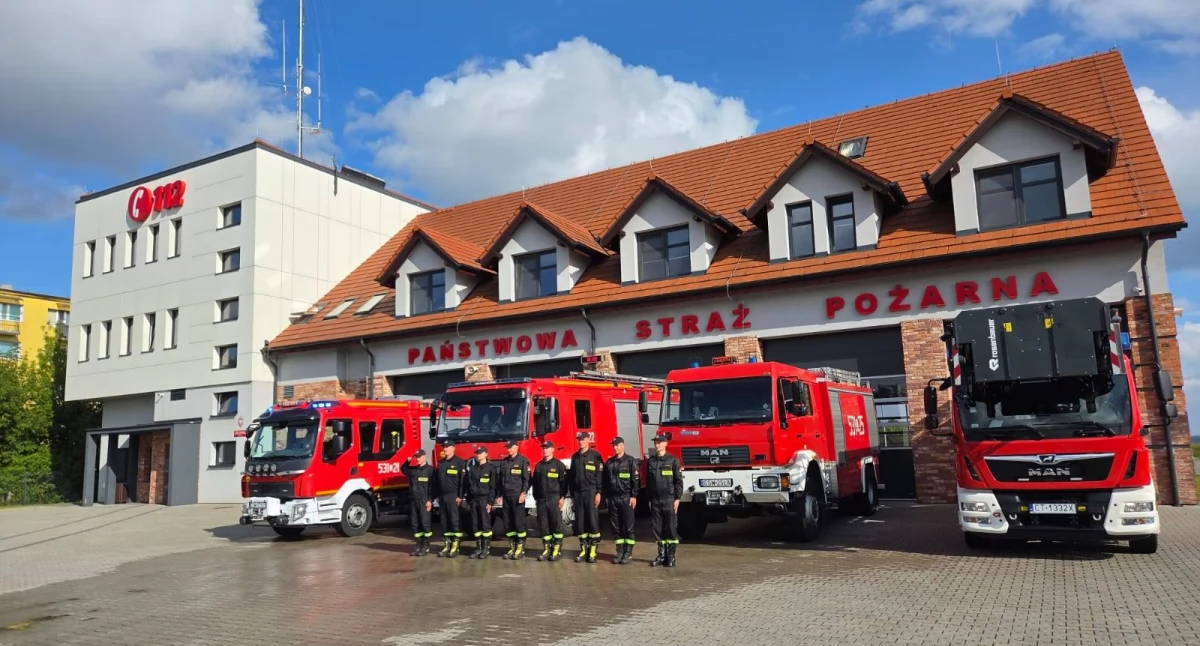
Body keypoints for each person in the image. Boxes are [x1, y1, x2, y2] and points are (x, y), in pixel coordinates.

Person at [645, 432, 684, 567]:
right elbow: (649, 482)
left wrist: (677, 498)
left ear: (666, 443)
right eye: (655, 442)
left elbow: (678, 481)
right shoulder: (651, 461)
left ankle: (671, 556)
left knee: (671, 529)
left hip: (669, 500)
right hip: (655, 501)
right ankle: (661, 555)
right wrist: (649, 499)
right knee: (658, 529)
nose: (657, 445)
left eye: (660, 442)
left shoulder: (672, 460)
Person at [567, 431, 604, 563]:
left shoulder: (595, 456)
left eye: (583, 439)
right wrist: (571, 495)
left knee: (592, 522)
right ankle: (584, 550)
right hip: (578, 494)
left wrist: (599, 492)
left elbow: (600, 476)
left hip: (591, 492)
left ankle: (593, 551)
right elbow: (571, 477)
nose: (581, 441)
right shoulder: (575, 457)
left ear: (588, 440)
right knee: (580, 522)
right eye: (579, 440)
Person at [603, 437, 640, 565]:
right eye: (613, 445)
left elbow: (635, 480)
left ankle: (628, 552)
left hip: (626, 497)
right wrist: (606, 497)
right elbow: (605, 482)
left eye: (617, 445)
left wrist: (634, 495)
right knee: (616, 527)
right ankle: (619, 552)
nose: (615, 448)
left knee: (628, 526)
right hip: (613, 499)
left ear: (623, 446)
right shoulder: (609, 462)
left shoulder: (630, 461)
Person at [531, 440, 568, 561]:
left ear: (553, 449)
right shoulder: (539, 466)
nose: (545, 449)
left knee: (556, 524)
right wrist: (536, 498)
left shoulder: (558, 465)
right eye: (544, 448)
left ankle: (556, 550)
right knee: (543, 526)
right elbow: (535, 483)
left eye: (547, 448)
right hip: (541, 500)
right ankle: (547, 549)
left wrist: (562, 497)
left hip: (554, 498)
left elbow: (563, 483)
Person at [497, 440, 532, 560]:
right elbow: (500, 480)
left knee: (519, 522)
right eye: (507, 448)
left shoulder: (523, 461)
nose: (509, 450)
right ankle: (512, 546)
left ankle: (520, 548)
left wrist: (523, 493)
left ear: (516, 447)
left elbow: (527, 479)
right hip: (506, 497)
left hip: (517, 497)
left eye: (511, 447)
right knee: (508, 523)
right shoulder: (504, 462)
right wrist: (499, 494)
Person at [465, 446, 499, 559]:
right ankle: (478, 548)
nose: (478, 455)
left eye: (480, 453)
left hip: (484, 500)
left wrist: (490, 502)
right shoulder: (473, 469)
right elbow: (469, 485)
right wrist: (469, 500)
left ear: (485, 454)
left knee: (485, 524)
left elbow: (493, 486)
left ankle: (486, 549)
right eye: (477, 453)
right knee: (475, 524)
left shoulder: (490, 468)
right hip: (474, 500)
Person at [433, 442, 467, 558]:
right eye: (444, 447)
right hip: (442, 496)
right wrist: (436, 495)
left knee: (454, 520)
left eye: (447, 447)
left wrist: (460, 496)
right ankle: (447, 544)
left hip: (453, 496)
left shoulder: (459, 462)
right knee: (444, 521)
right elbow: (436, 481)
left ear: (453, 448)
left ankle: (455, 546)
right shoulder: (441, 464)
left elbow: (463, 482)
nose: (445, 449)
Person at [400, 449, 435, 556]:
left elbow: (432, 487)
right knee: (415, 523)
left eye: (419, 457)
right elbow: (403, 469)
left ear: (424, 457)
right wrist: (408, 461)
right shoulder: (414, 470)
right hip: (414, 500)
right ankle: (418, 545)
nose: (418, 459)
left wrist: (430, 500)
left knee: (425, 523)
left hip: (424, 500)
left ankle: (426, 546)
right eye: (416, 457)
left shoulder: (430, 470)